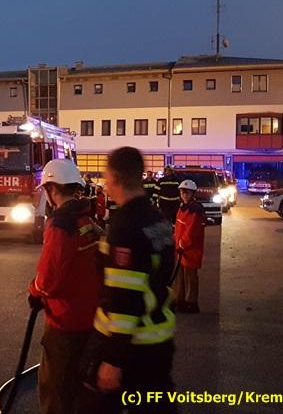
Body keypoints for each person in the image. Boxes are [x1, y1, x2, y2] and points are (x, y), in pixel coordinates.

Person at [81, 147, 176, 413]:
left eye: (105, 176)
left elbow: (124, 298)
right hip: (159, 342)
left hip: (132, 348)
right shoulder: (157, 219)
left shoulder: (126, 226)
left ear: (114, 177)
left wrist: (113, 360)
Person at [27, 159, 101, 414]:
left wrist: (34, 291)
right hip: (89, 317)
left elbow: (49, 279)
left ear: (51, 189)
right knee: (79, 389)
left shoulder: (61, 224)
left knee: (56, 389)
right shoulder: (85, 217)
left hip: (64, 321)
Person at [173, 179, 206, 313]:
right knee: (180, 276)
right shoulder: (183, 207)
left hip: (190, 249)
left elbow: (191, 231)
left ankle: (191, 303)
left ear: (193, 193)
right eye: (182, 192)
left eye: (187, 192)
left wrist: (182, 244)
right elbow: (180, 227)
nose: (184, 195)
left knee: (190, 277)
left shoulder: (194, 210)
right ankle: (180, 300)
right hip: (181, 249)